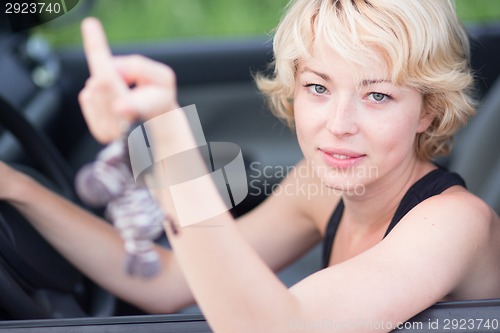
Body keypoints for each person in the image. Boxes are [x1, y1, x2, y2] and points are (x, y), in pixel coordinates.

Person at [1, 0, 500, 331]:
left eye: (378, 95)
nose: (339, 123)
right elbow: (168, 281)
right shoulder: (320, 188)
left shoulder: (455, 223)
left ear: (429, 110)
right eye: (318, 88)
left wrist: (170, 136)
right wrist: (18, 187)